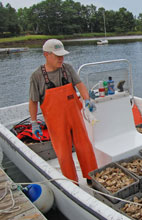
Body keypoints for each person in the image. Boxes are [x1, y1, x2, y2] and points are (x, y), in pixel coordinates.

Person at [29, 39, 98, 184]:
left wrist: (87, 100)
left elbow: (80, 85)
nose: (61, 59)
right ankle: (72, 183)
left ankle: (91, 176)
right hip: (56, 121)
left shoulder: (67, 68)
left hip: (75, 115)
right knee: (63, 152)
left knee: (84, 146)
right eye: (57, 56)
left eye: (62, 55)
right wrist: (33, 122)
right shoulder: (37, 76)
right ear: (46, 55)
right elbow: (33, 101)